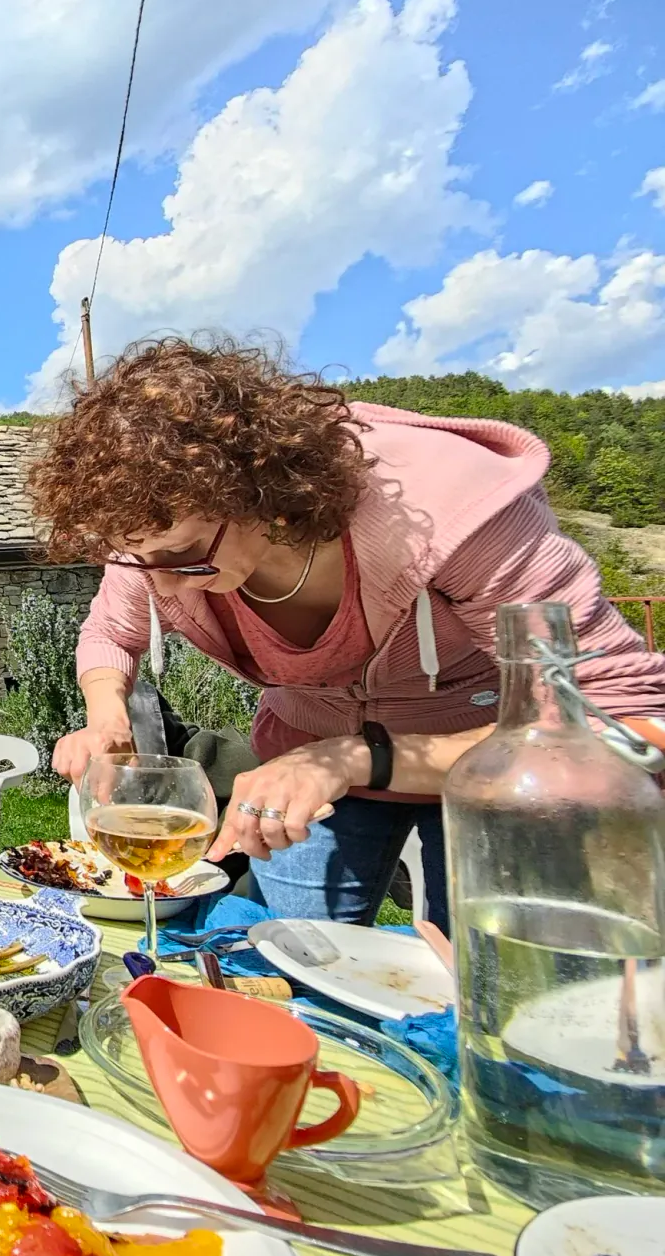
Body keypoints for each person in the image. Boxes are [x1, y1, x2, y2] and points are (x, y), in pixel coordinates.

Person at [36, 338, 665, 925]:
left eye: (186, 555)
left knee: (489, 972)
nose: (164, 587)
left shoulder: (456, 518)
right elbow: (110, 633)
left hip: (503, 774)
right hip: (306, 772)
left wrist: (360, 755)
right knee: (292, 955)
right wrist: (106, 715)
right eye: (139, 563)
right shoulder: (155, 550)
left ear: (262, 489)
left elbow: (622, 723)